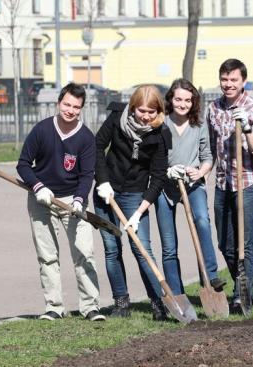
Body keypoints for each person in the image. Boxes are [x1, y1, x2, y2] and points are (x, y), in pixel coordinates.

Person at [16, 82, 105, 321]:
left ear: (81, 108)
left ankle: (90, 307)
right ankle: (54, 307)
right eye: (67, 104)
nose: (70, 110)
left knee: (84, 253)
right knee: (48, 256)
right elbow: (23, 164)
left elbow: (87, 174)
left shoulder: (85, 137)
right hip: (41, 199)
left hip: (72, 201)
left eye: (76, 107)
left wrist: (79, 200)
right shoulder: (42, 130)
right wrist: (38, 186)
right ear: (59, 103)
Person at [93, 84, 171, 321]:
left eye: (151, 112)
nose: (146, 116)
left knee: (142, 249)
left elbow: (158, 176)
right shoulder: (117, 118)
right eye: (141, 111)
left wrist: (139, 212)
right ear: (133, 107)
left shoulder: (160, 133)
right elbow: (97, 147)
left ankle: (158, 303)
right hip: (106, 192)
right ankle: (121, 302)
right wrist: (102, 181)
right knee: (111, 249)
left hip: (136, 196)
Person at [206, 58, 253, 312]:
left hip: (249, 182)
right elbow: (211, 148)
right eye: (224, 79)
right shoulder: (213, 108)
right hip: (223, 182)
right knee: (225, 242)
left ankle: (243, 295)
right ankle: (240, 283)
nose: (228, 84)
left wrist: (247, 128)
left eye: (234, 80)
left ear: (244, 81)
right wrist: (203, 170)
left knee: (247, 243)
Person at [155, 78, 227, 295]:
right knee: (168, 243)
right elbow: (152, 157)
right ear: (171, 99)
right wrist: (166, 170)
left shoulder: (198, 125)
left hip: (193, 184)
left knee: (202, 221)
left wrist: (201, 171)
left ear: (193, 102)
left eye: (187, 100)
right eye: (178, 99)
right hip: (165, 187)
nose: (183, 104)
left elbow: (207, 156)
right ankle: (177, 293)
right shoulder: (161, 124)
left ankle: (211, 276)